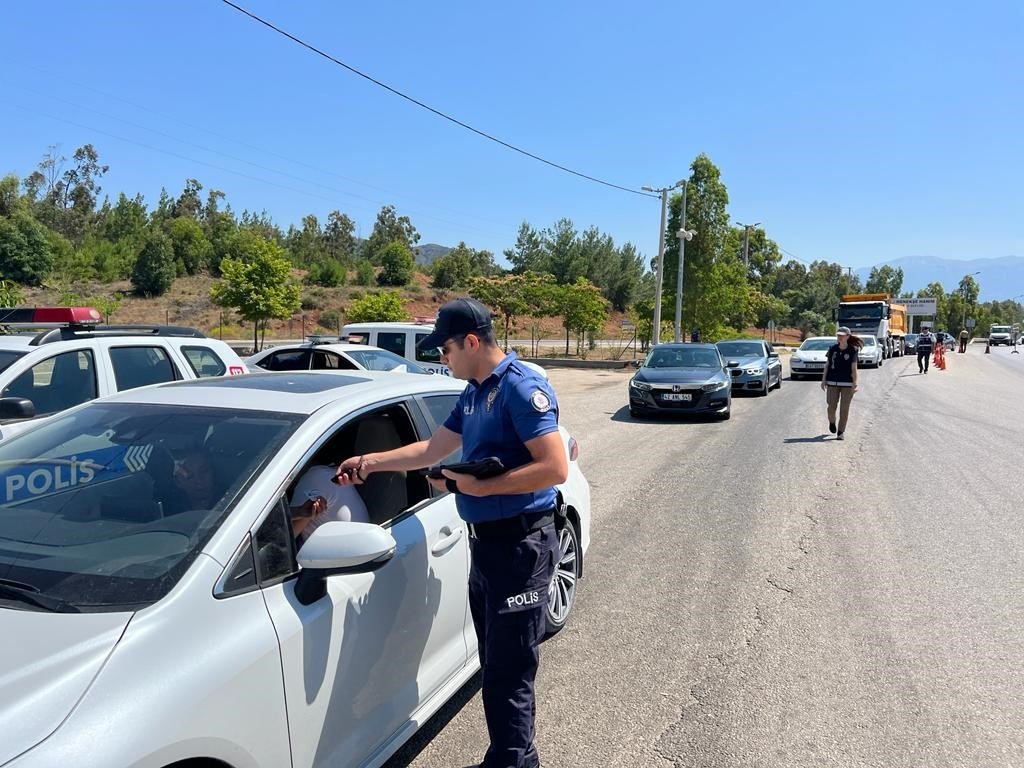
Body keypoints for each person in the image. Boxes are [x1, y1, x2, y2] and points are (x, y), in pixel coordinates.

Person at [335, 297, 566, 768]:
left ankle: (513, 762)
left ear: (473, 342)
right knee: (496, 667)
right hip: (488, 549)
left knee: (510, 672)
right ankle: (513, 755)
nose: (443, 357)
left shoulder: (522, 389)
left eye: (446, 349)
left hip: (521, 546)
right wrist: (371, 462)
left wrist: (483, 486)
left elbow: (555, 467)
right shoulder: (474, 392)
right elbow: (432, 448)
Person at [288, 464, 370, 543]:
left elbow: (284, 540)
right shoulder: (333, 476)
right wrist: (297, 512)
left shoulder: (315, 479)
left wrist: (297, 512)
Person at [820, 326, 862, 440]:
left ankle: (840, 431)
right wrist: (823, 380)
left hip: (847, 383)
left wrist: (855, 383)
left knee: (844, 409)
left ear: (848, 336)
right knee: (831, 407)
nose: (840, 337)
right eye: (838, 335)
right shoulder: (832, 348)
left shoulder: (853, 350)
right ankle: (832, 422)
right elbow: (827, 365)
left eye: (842, 335)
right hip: (832, 382)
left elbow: (854, 368)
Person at [166, 448, 218, 514]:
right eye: (189, 476)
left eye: (204, 471)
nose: (199, 480)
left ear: (213, 471)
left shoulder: (232, 501)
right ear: (178, 482)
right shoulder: (170, 512)